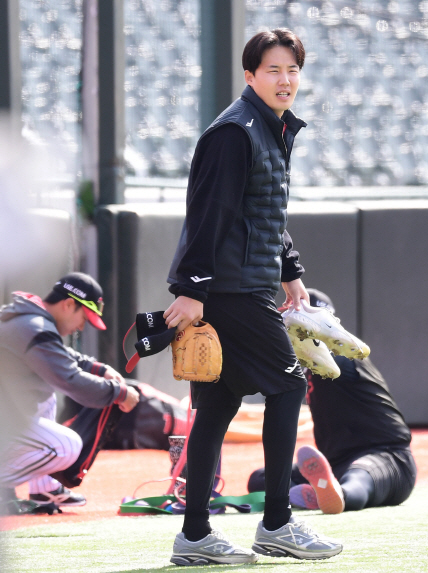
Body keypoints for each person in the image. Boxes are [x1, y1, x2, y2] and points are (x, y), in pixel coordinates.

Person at [164, 29, 342, 566]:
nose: (285, 80)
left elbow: (263, 213)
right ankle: (277, 525)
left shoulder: (269, 129)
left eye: (292, 70)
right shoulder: (234, 132)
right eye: (273, 70)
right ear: (249, 75)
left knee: (217, 407)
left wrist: (291, 274)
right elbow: (209, 213)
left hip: (249, 282)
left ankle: (194, 537)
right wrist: (190, 289)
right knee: (288, 384)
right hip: (230, 288)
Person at [248, 289, 417, 515]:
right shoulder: (306, 364)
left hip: (387, 456)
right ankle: (319, 490)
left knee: (358, 479)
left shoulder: (344, 358)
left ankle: (337, 495)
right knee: (260, 479)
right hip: (333, 463)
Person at [0, 272, 139, 511]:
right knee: (66, 447)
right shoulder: (35, 326)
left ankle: (44, 488)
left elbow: (59, 357)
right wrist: (120, 393)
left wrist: (100, 368)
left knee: (45, 396)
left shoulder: (30, 319)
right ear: (68, 304)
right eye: (84, 317)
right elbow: (72, 381)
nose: (83, 326)